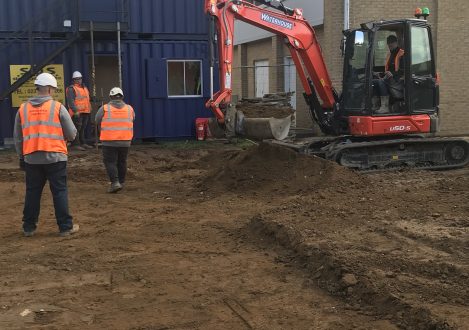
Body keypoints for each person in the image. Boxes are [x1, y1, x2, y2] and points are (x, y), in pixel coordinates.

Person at [14, 73, 80, 237]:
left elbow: (18, 137)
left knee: (32, 192)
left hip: (32, 158)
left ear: (37, 88)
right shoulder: (57, 107)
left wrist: (22, 157)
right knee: (59, 191)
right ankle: (65, 227)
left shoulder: (23, 109)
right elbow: (72, 134)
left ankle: (28, 227)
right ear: (50, 89)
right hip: (55, 157)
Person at [95, 87, 135, 193]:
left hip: (109, 141)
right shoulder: (129, 108)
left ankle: (115, 183)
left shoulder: (104, 108)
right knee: (122, 162)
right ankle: (121, 182)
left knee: (110, 162)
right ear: (122, 97)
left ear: (111, 97)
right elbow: (133, 118)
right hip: (125, 141)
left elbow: (96, 120)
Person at [374, 34, 405, 114]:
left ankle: (385, 106)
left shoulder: (402, 54)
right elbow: (387, 69)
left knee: (380, 82)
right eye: (388, 44)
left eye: (392, 43)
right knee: (373, 82)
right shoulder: (389, 55)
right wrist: (380, 74)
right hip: (389, 78)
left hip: (398, 80)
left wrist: (393, 74)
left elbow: (404, 70)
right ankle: (376, 104)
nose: (390, 45)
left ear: (396, 43)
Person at [66, 71, 93, 150]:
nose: (78, 80)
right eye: (76, 79)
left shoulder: (84, 88)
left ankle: (83, 143)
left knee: (82, 129)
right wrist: (75, 111)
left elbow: (87, 99)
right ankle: (75, 144)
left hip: (86, 112)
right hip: (77, 113)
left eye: (80, 79)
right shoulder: (71, 89)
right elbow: (71, 101)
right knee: (76, 129)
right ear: (73, 80)